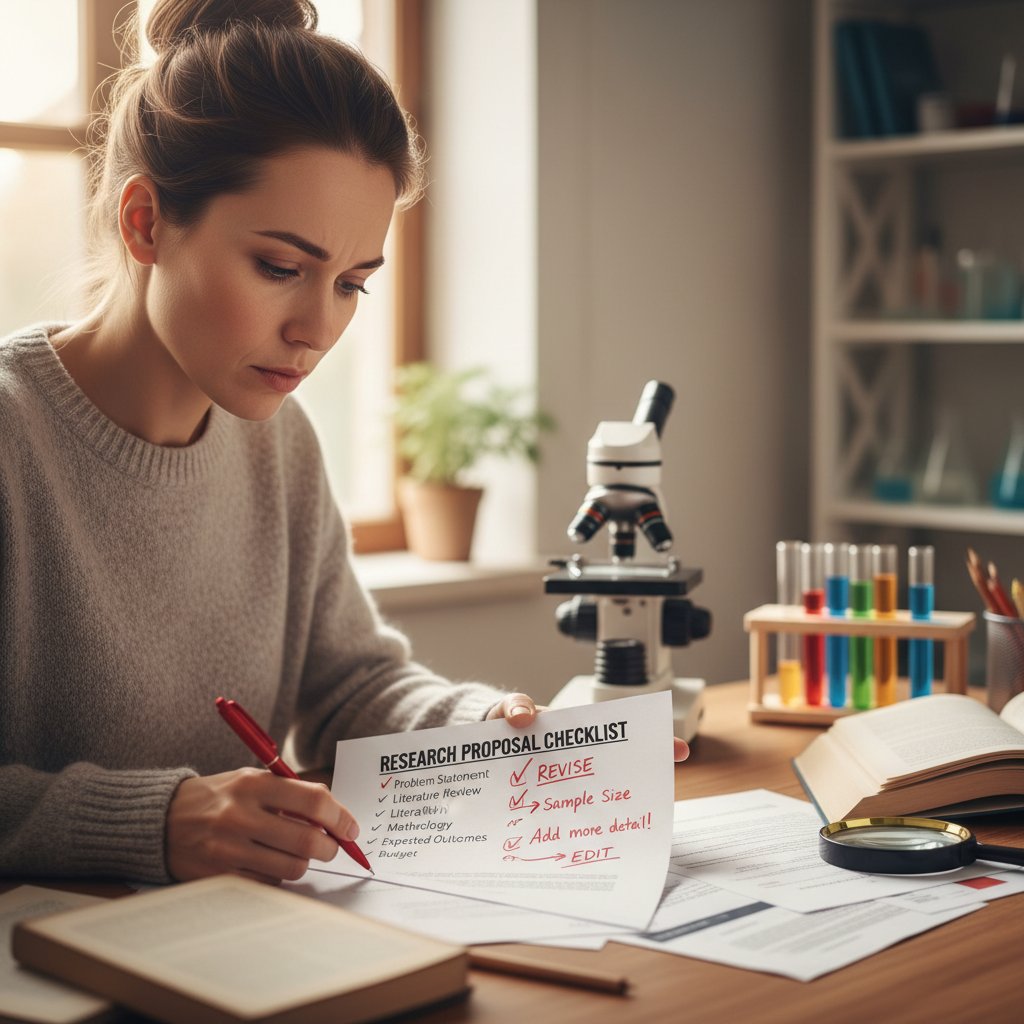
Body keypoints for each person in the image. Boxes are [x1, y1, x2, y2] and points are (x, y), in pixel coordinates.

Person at [0, 0, 687, 887]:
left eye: (352, 284)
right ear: (145, 224)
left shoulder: (276, 440)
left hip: (240, 949)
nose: (317, 329)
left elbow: (352, 688)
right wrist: (155, 821)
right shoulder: (15, 440)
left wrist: (484, 733)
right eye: (281, 269)